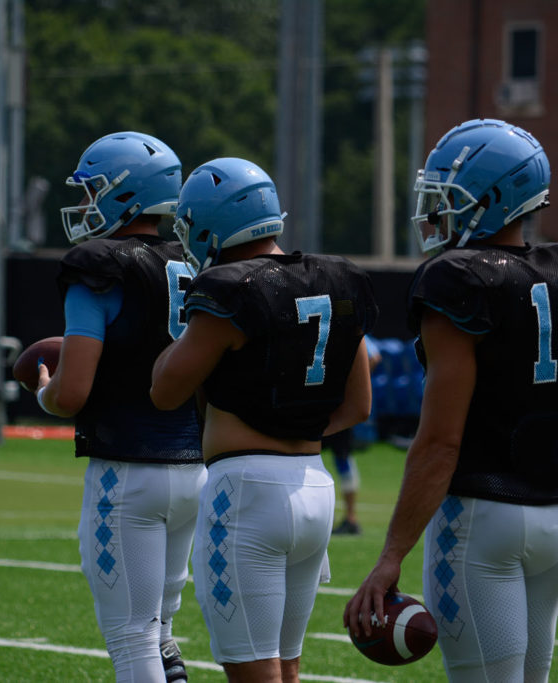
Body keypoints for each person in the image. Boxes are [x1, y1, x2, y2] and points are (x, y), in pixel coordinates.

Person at [343, 119, 558, 682]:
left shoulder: (459, 280)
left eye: (452, 196)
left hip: (479, 520)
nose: (439, 210)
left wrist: (391, 555)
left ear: (493, 199)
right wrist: (546, 471)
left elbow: (441, 441)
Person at [150, 157, 379, 682]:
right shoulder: (337, 278)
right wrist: (291, 429)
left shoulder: (228, 288)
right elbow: (359, 406)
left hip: (245, 494)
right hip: (314, 487)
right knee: (287, 668)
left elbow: (164, 392)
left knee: (254, 672)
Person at [33, 131, 205, 683]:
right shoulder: (196, 260)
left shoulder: (98, 265)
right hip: (194, 466)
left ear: (126, 194)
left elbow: (72, 393)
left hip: (128, 474)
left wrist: (43, 389)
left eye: (94, 191)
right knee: (158, 630)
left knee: (131, 637)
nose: (85, 204)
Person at [326, 334, 381, 535]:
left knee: (341, 458)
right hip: (328, 406)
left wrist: (353, 383)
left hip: (333, 407)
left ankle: (351, 518)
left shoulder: (350, 326)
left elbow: (374, 356)